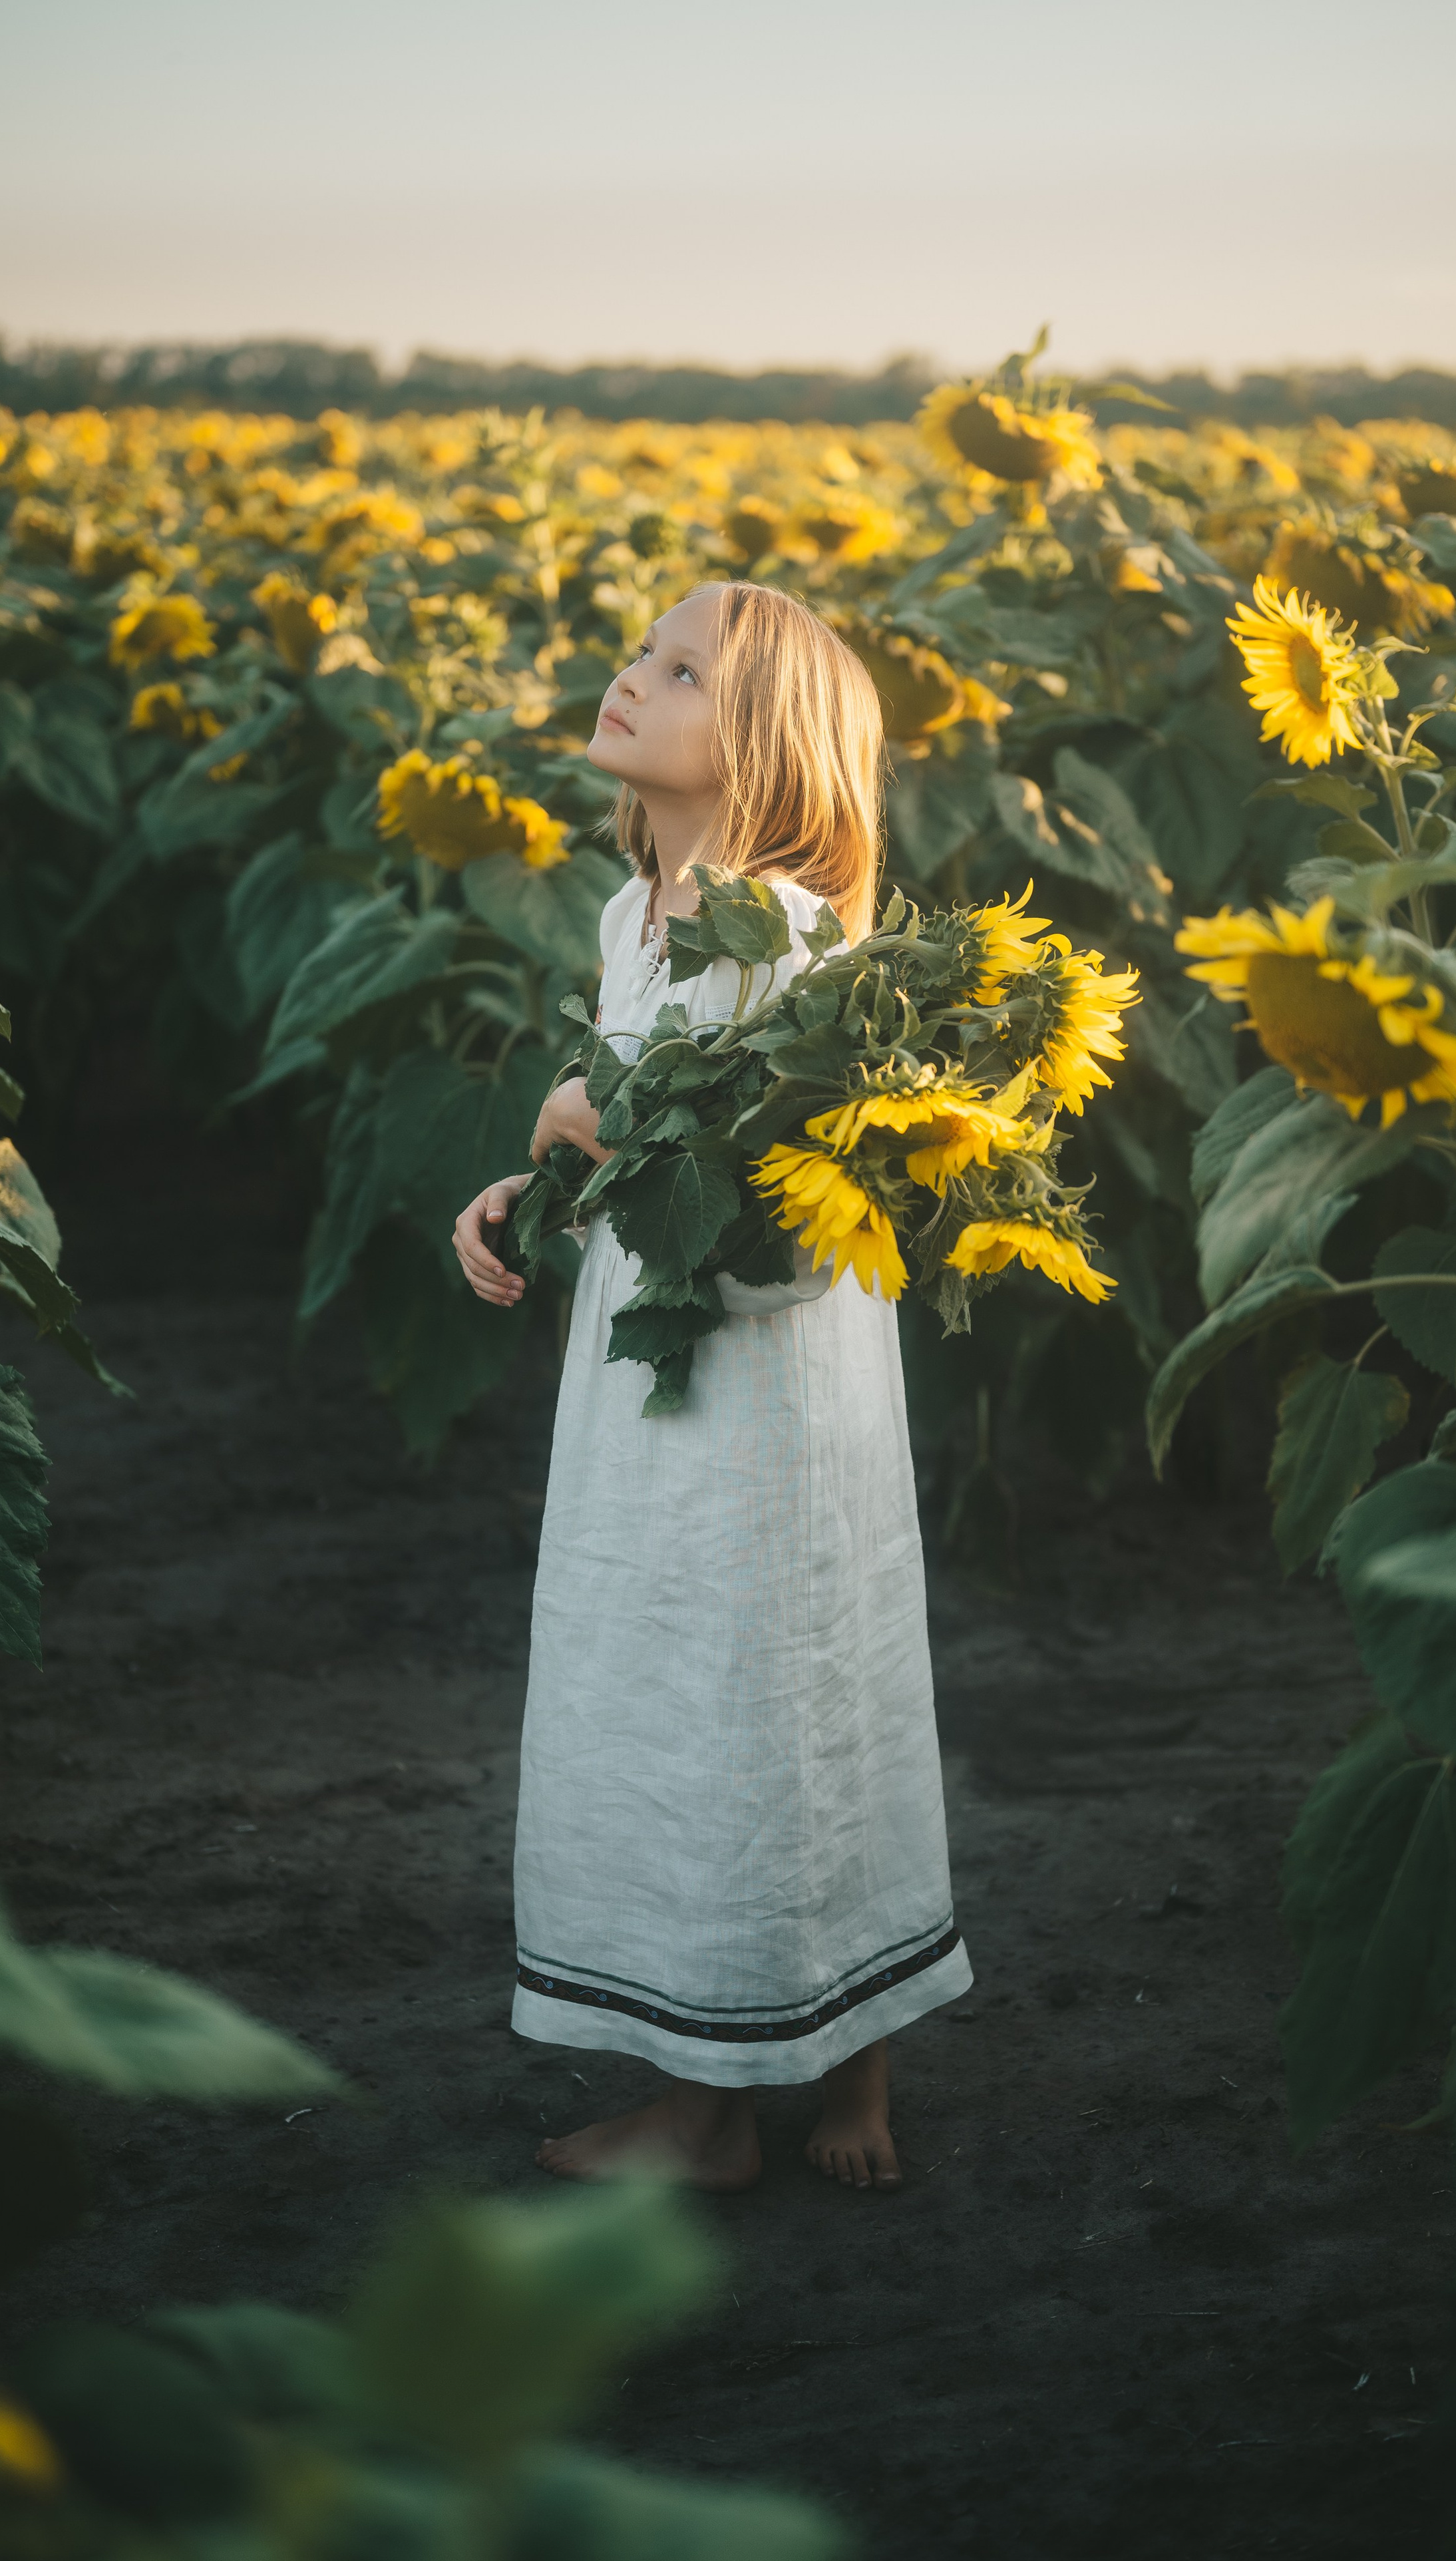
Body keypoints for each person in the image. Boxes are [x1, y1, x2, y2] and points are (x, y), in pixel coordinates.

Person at [453, 581, 971, 2193]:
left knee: (792, 1681)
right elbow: (616, 1148)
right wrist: (518, 1196)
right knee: (670, 1692)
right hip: (649, 1395)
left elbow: (796, 1229)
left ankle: (832, 2067)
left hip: (772, 1409)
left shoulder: (804, 947)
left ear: (768, 751)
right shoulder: (629, 919)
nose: (633, 676)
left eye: (684, 671)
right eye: (642, 649)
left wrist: (589, 1124)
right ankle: (710, 2086)